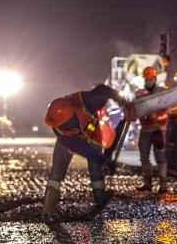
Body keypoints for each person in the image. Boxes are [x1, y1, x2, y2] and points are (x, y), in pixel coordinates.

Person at [41, 84, 132, 216]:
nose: (64, 128)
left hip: (92, 134)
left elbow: (103, 89)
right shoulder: (59, 127)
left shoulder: (90, 101)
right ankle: (47, 212)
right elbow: (82, 148)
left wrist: (122, 101)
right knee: (56, 172)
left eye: (66, 125)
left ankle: (100, 203)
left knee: (96, 171)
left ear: (72, 117)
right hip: (73, 141)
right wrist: (102, 159)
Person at [135, 66, 169, 193]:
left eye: (150, 79)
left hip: (158, 129)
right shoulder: (140, 93)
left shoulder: (162, 91)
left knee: (160, 155)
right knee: (144, 156)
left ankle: (163, 184)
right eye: (146, 80)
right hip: (145, 129)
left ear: (155, 79)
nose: (148, 82)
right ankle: (147, 183)